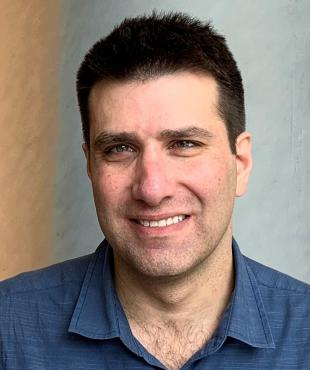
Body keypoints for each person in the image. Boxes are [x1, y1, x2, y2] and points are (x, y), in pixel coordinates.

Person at [0, 12, 309, 370]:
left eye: (184, 143)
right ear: (90, 166)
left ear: (240, 162)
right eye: (119, 149)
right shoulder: (9, 332)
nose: (152, 188)